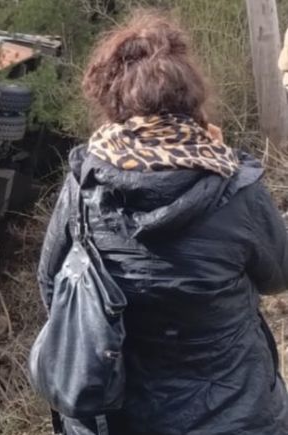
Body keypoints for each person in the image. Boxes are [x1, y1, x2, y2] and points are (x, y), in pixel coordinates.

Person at [37, 11, 288, 435]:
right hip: (234, 414)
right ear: (191, 97)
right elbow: (278, 276)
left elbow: (51, 286)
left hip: (117, 417)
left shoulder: (84, 187)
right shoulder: (235, 186)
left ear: (111, 100)